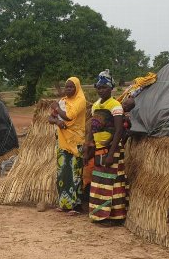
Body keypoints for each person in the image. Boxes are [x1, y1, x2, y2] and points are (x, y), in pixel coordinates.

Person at [86, 70, 127, 224]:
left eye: (104, 87)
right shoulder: (96, 105)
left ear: (111, 88)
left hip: (112, 150)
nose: (101, 90)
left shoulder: (115, 105)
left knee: (113, 183)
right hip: (98, 149)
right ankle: (100, 214)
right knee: (100, 183)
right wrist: (89, 145)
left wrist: (111, 153)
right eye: (99, 87)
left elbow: (119, 130)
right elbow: (92, 128)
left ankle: (116, 217)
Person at [49, 77, 86, 214]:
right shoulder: (63, 101)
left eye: (71, 87)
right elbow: (50, 118)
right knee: (63, 172)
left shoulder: (80, 100)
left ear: (77, 88)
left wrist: (56, 108)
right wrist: (56, 122)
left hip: (76, 141)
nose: (68, 89)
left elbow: (69, 116)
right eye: (67, 87)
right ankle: (64, 203)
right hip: (63, 142)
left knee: (75, 172)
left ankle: (76, 205)